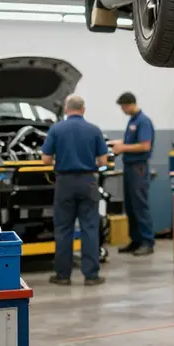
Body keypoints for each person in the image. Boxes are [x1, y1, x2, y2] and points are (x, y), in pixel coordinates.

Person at [41, 95, 109, 287]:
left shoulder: (56, 129)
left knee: (63, 229)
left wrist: (61, 160)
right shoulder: (94, 130)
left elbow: (45, 159)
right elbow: (103, 161)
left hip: (64, 182)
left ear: (66, 108)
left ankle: (63, 275)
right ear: (83, 109)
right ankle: (91, 276)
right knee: (89, 228)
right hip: (88, 181)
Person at [108, 92, 155, 257]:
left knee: (139, 205)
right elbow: (132, 142)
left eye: (123, 107)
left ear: (129, 104)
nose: (122, 110)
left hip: (138, 168)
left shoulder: (143, 121)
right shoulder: (133, 121)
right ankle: (135, 240)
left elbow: (144, 146)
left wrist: (122, 148)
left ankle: (147, 242)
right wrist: (117, 143)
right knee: (130, 205)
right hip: (129, 167)